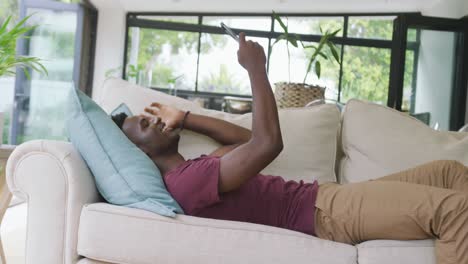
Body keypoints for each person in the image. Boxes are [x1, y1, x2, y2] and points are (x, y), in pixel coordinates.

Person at [111, 32, 468, 264]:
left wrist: (186, 117)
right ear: (139, 152)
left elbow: (241, 140)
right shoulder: (186, 183)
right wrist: (256, 68)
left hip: (329, 198)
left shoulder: (196, 170)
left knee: (449, 172)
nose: (153, 120)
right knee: (457, 211)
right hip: (325, 213)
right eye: (144, 125)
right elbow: (267, 143)